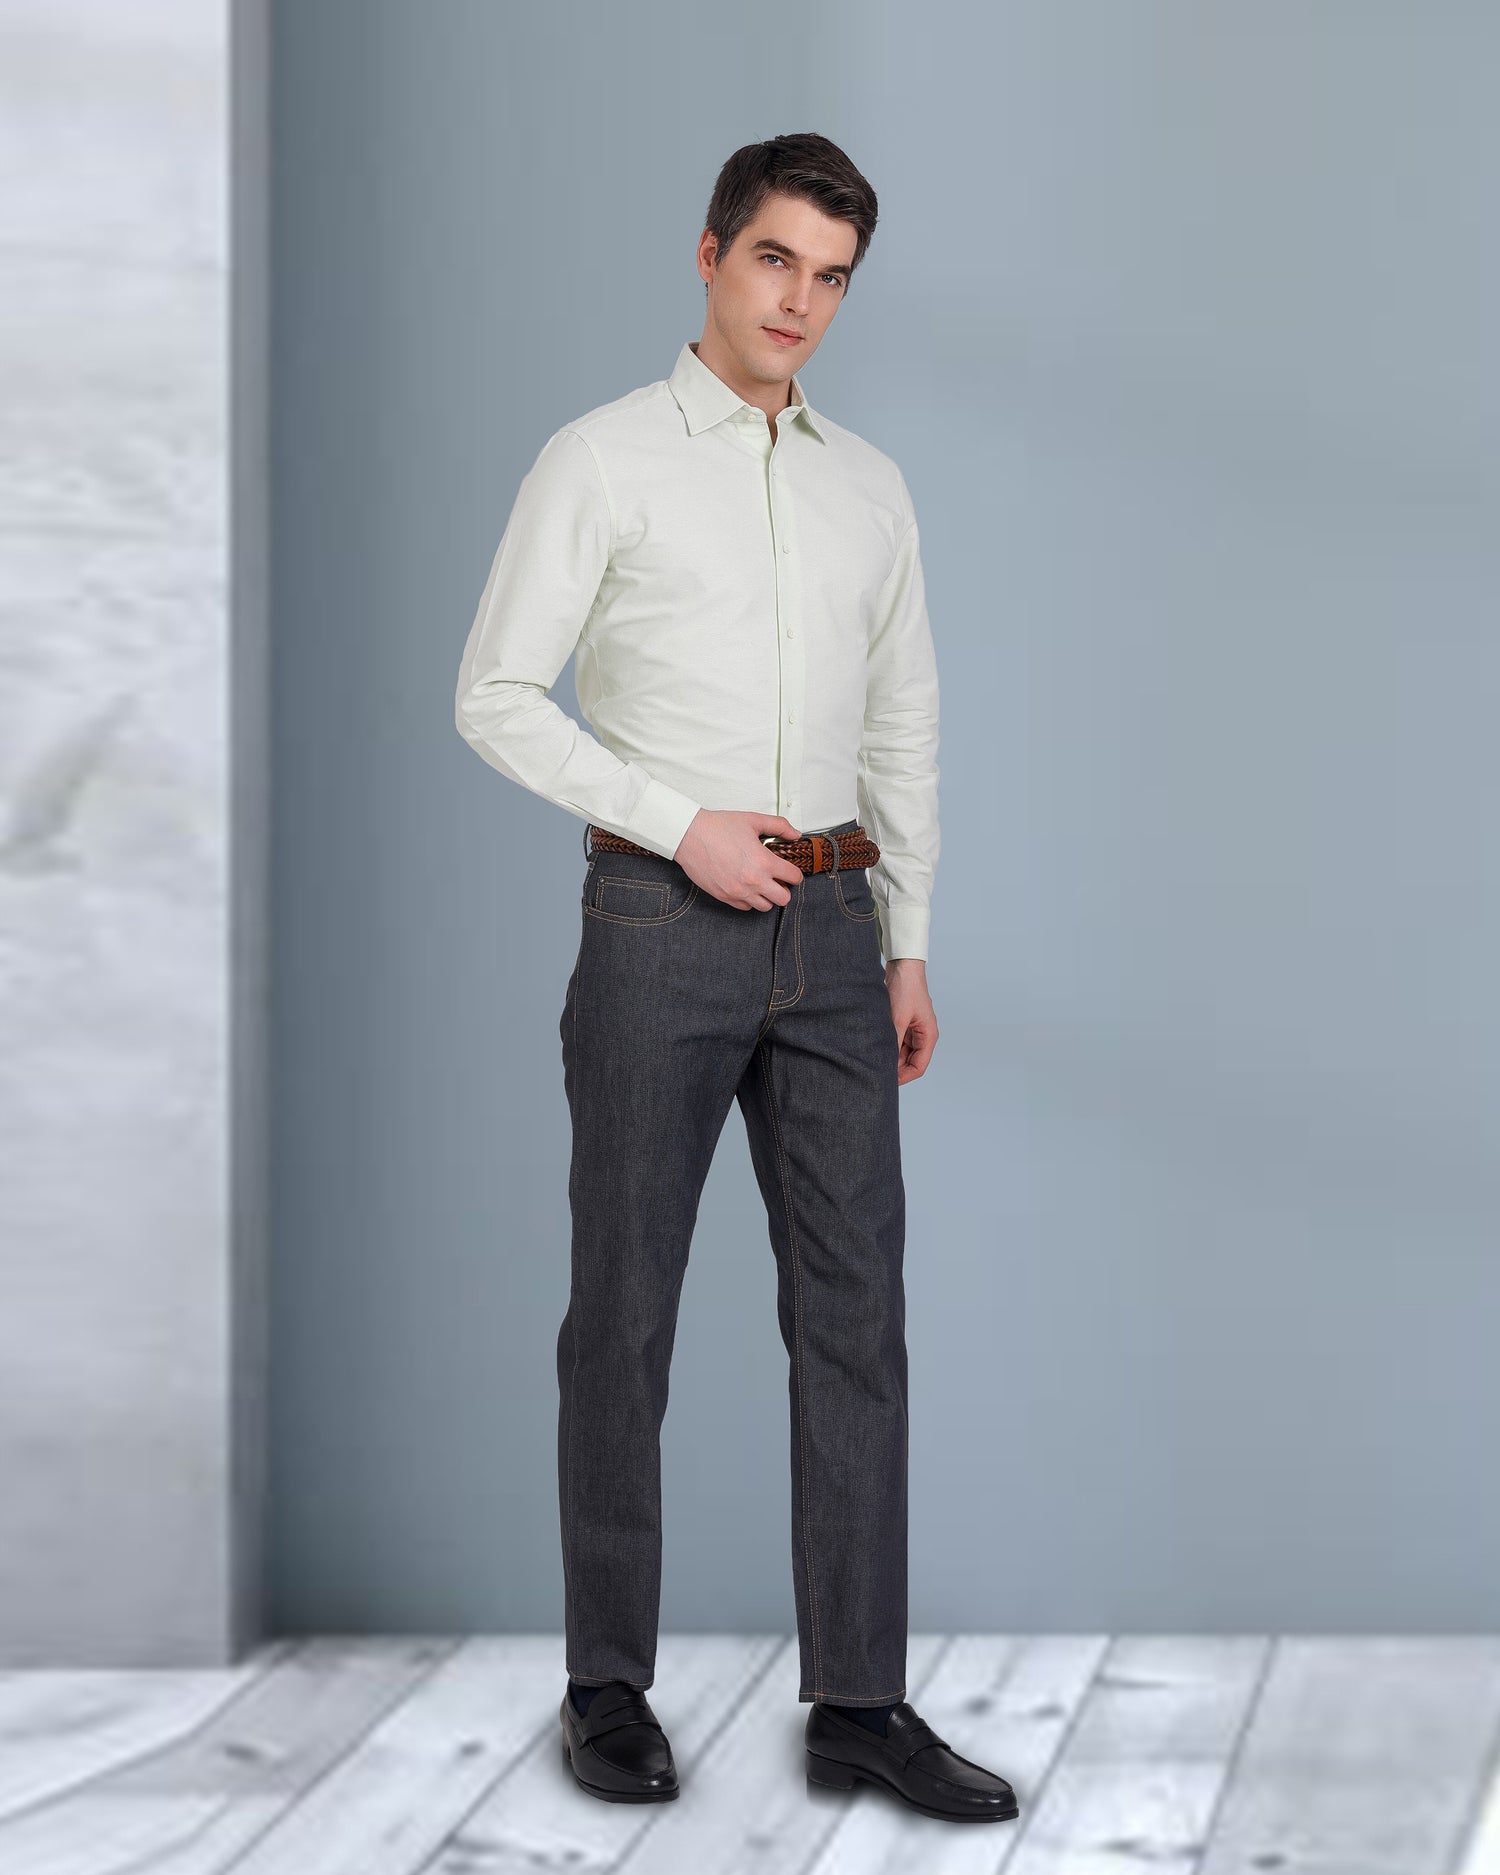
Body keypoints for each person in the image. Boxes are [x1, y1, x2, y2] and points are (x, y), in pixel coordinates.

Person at [455, 132, 1017, 1824]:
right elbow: (494, 692)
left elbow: (904, 723)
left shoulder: (871, 488)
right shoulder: (602, 460)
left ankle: (860, 1701)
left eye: (831, 276)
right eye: (775, 259)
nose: (800, 302)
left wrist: (908, 938)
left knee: (858, 1318)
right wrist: (676, 825)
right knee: (623, 1311)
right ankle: (604, 1687)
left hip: (838, 933)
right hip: (660, 922)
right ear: (709, 255)